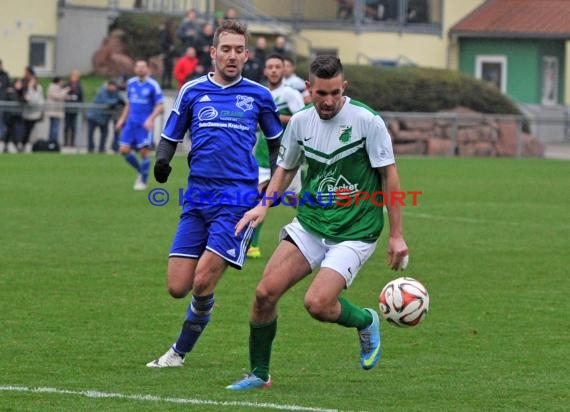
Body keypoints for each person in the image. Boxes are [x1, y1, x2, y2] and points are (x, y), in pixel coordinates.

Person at [226, 55, 409, 390]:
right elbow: (286, 167)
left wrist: (396, 235)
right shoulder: (299, 122)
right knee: (265, 293)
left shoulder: (367, 121)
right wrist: (264, 207)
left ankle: (366, 320)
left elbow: (389, 175)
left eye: (335, 93)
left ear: (344, 88)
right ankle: (259, 374)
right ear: (308, 88)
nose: (328, 100)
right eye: (321, 93)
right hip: (311, 223)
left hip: (356, 230)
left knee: (317, 304)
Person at [146, 19, 283, 368]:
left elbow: (278, 144)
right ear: (213, 53)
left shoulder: (259, 96)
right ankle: (204, 301)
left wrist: (275, 185)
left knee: (203, 278)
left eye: (239, 50)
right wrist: (162, 161)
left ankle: (178, 352)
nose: (232, 55)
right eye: (226, 49)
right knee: (179, 286)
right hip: (197, 197)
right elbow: (171, 133)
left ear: (247, 54)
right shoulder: (192, 91)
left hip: (237, 199)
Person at [247, 53, 305, 259]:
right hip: (262, 156)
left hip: (287, 157)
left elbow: (303, 120)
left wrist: (276, 117)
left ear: (284, 70)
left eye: (277, 67)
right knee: (258, 198)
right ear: (265, 70)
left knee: (292, 199)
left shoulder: (290, 94)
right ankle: (252, 246)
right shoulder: (259, 93)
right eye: (269, 67)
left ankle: (321, 222)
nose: (273, 70)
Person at [115, 59, 164, 190]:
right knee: (123, 150)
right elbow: (129, 104)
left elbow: (160, 106)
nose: (141, 69)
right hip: (131, 123)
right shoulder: (130, 83)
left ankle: (143, 181)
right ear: (135, 69)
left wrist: (150, 119)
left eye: (143, 67)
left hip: (144, 125)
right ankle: (141, 171)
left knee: (144, 152)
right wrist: (122, 119)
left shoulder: (153, 85)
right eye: (138, 67)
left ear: (147, 69)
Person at [86, 80, 122, 153]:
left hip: (104, 117)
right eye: (112, 86)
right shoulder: (102, 91)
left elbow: (120, 99)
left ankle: (101, 148)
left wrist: (121, 101)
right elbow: (106, 101)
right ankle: (90, 148)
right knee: (90, 133)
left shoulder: (115, 93)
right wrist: (116, 101)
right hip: (94, 115)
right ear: (108, 86)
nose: (113, 88)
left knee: (105, 133)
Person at [21, 72, 44, 152]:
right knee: (26, 131)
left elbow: (38, 100)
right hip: (27, 114)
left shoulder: (39, 88)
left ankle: (33, 147)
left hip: (36, 113)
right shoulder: (26, 88)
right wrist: (30, 88)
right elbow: (29, 100)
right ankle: (23, 146)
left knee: (32, 131)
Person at [45, 76, 70, 143]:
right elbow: (58, 96)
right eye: (62, 81)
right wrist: (66, 90)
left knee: (54, 127)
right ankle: (53, 142)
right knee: (54, 128)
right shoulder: (53, 87)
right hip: (54, 111)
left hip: (56, 111)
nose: (63, 83)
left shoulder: (58, 88)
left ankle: (51, 141)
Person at [63, 69, 83, 148]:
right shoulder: (67, 85)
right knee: (66, 126)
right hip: (67, 108)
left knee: (73, 126)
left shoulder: (79, 86)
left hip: (75, 109)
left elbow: (81, 97)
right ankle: (65, 142)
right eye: (73, 76)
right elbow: (63, 95)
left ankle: (72, 143)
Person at [159, 19, 176, 89]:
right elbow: (163, 42)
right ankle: (165, 83)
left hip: (168, 53)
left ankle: (167, 83)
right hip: (166, 53)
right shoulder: (165, 33)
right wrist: (170, 46)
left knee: (169, 68)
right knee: (167, 68)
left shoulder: (167, 32)